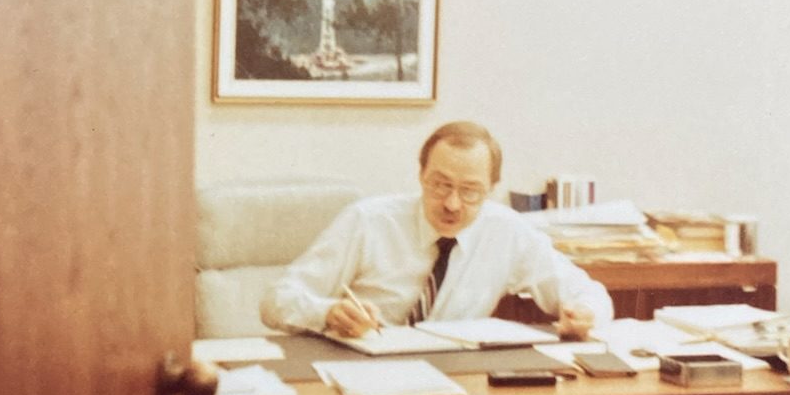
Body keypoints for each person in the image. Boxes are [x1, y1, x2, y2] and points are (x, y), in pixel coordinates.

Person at [260, 121, 613, 340]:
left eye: (470, 191)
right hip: (360, 368)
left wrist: (585, 314)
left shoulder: (506, 231)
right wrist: (328, 312)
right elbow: (276, 302)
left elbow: (589, 293)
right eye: (441, 185)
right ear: (421, 175)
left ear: (491, 189)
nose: (452, 204)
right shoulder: (368, 221)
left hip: (452, 379)